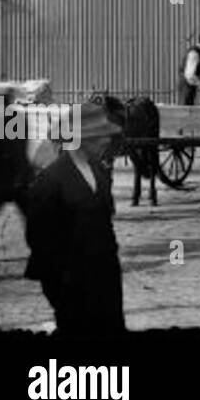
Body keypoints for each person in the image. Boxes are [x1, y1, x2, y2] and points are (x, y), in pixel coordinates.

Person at [23, 103, 126, 337]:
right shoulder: (50, 181)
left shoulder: (101, 173)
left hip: (106, 280)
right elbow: (39, 241)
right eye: (100, 136)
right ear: (82, 139)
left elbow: (106, 224)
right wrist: (61, 293)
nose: (107, 141)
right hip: (71, 283)